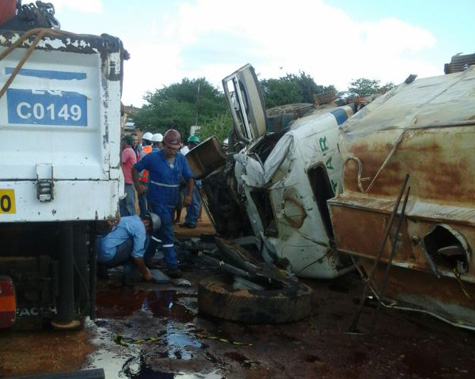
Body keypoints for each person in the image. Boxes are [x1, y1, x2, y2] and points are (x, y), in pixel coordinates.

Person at [132, 129, 194, 279]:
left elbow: (189, 177)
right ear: (163, 145)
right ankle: (172, 266)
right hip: (157, 201)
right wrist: (138, 186)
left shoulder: (181, 159)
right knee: (167, 232)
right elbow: (135, 169)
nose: (173, 152)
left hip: (171, 202)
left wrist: (189, 195)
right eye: (170, 148)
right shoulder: (152, 157)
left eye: (175, 149)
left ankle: (146, 257)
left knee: (157, 232)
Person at [97, 212, 161, 284]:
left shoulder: (130, 219)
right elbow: (137, 256)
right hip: (107, 255)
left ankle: (102, 267)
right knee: (142, 243)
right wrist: (146, 273)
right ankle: (128, 275)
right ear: (148, 224)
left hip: (96, 254)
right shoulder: (141, 228)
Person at [181, 135, 201, 229]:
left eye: (191, 144)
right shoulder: (188, 154)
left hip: (196, 180)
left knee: (195, 202)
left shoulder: (199, 155)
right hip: (188, 180)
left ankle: (193, 221)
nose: (190, 145)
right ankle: (188, 220)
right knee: (188, 202)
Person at [137, 132, 154, 216]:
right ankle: (150, 215)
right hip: (151, 179)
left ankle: (143, 215)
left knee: (142, 198)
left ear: (145, 141)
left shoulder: (143, 151)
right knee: (150, 198)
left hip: (143, 179)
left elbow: (140, 167)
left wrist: (138, 178)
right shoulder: (153, 150)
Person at [119, 135, 137, 216]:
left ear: (125, 142)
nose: (121, 143)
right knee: (125, 204)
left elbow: (119, 162)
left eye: (122, 141)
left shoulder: (127, 151)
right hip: (128, 181)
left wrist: (119, 150)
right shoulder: (131, 150)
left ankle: (130, 221)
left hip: (127, 182)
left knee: (128, 204)